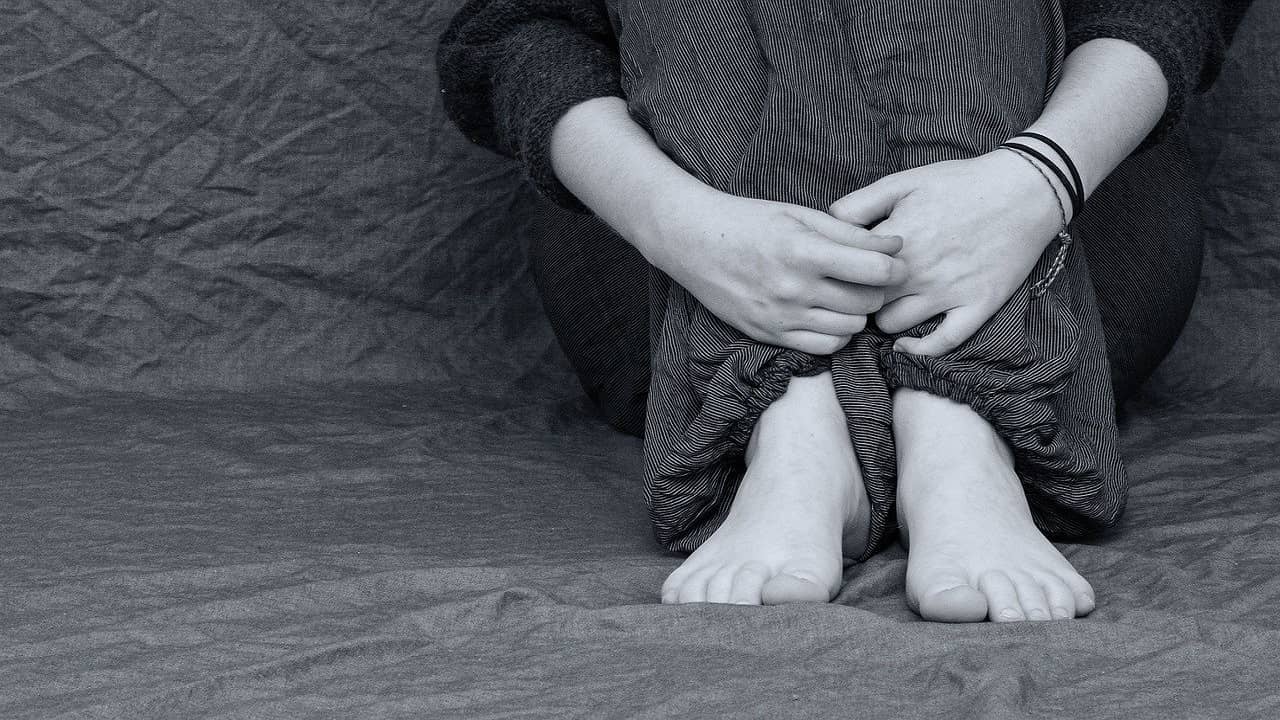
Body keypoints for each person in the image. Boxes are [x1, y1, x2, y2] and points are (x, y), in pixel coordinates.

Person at [439, 0, 1248, 621]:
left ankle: (961, 426)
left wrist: (1039, 179)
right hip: (664, 238)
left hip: (1064, 209)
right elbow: (516, 29)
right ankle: (792, 415)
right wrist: (683, 225)